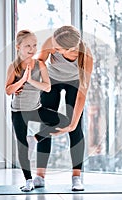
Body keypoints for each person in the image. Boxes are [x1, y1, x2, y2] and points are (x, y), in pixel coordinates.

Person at [5, 30, 69, 192]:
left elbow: (47, 87)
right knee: (22, 147)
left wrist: (30, 80)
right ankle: (28, 180)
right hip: (18, 111)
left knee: (62, 120)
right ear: (18, 47)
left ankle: (36, 138)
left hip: (35, 109)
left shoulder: (40, 65)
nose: (32, 49)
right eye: (27, 46)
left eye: (34, 45)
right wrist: (21, 82)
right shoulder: (14, 66)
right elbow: (8, 90)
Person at [34, 25, 93, 191]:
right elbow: (39, 61)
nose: (54, 48)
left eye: (58, 49)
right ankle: (40, 176)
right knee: (46, 125)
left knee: (76, 129)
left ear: (70, 49)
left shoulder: (86, 57)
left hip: (74, 83)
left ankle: (76, 177)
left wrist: (73, 123)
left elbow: (82, 93)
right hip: (52, 79)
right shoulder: (52, 41)